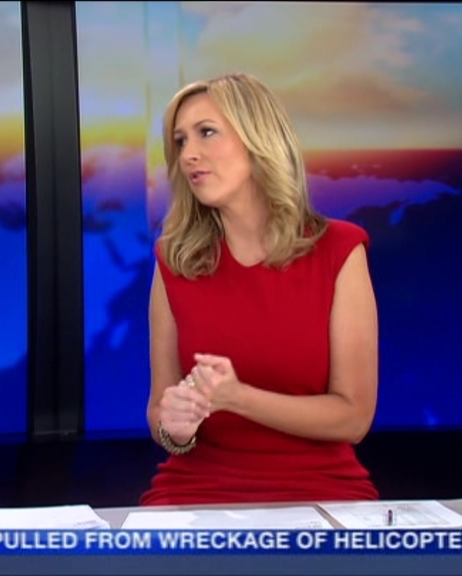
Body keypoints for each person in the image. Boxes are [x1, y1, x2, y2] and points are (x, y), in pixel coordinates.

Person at [141, 72, 379, 505]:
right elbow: (161, 408)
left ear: (258, 140)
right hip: (195, 491)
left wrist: (238, 398)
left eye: (206, 133)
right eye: (180, 141)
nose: (188, 154)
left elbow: (353, 417)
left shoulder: (339, 250)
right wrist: (175, 428)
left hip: (321, 490)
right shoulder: (174, 261)